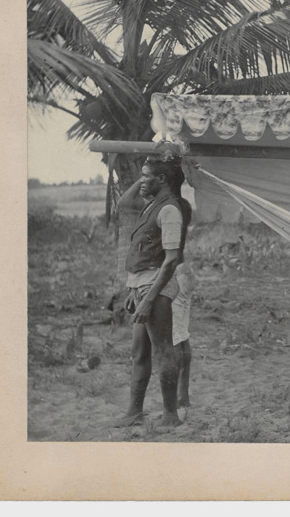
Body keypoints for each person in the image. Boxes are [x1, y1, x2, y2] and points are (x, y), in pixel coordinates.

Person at [113, 156, 193, 428]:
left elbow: (170, 260)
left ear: (163, 180)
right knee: (140, 352)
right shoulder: (152, 206)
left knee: (163, 351)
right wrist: (150, 171)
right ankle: (134, 412)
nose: (142, 181)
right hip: (141, 285)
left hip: (156, 287)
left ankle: (170, 415)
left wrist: (147, 299)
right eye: (141, 176)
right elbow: (125, 203)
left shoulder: (170, 210)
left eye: (147, 176)